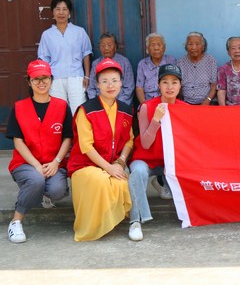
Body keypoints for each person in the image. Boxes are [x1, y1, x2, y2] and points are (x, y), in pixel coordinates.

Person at [67, 58, 134, 241]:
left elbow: (129, 140)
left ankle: (110, 221)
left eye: (114, 80)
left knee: (121, 182)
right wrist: (109, 168)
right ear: (97, 85)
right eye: (104, 81)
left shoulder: (125, 110)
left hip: (113, 164)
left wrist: (120, 161)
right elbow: (86, 146)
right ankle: (91, 227)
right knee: (101, 181)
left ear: (121, 83)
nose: (110, 85)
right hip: (85, 165)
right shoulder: (86, 110)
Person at [5, 60, 73, 243]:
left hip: (53, 163)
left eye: (45, 78)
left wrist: (56, 161)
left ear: (51, 80)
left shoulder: (61, 106)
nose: (41, 82)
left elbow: (67, 137)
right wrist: (35, 165)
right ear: (29, 82)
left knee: (58, 190)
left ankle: (38, 192)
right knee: (36, 179)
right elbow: (18, 141)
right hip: (26, 163)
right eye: (36, 79)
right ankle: (16, 221)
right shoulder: (20, 107)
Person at [128, 64, 187, 241]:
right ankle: (136, 221)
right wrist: (156, 120)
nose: (170, 87)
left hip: (170, 163)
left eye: (174, 82)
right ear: (158, 85)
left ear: (180, 86)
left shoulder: (185, 108)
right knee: (137, 172)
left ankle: (166, 189)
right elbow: (145, 144)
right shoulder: (147, 106)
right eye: (165, 82)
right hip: (146, 159)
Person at [37, 0, 92, 113]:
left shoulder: (79, 32)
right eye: (57, 9)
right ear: (53, 12)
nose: (61, 13)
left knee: (78, 110)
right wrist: (46, 79)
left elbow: (86, 54)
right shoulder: (47, 35)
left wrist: (87, 76)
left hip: (76, 77)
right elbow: (43, 58)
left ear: (69, 12)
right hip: (55, 78)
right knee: (58, 111)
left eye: (64, 9)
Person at [87, 32, 135, 106]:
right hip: (100, 104)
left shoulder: (124, 62)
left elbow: (129, 87)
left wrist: (117, 105)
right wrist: (96, 104)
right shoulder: (95, 63)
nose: (106, 48)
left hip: (121, 103)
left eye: (109, 45)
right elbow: (91, 88)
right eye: (103, 45)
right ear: (99, 48)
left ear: (115, 47)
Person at [176, 32, 217, 105]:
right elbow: (177, 85)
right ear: (186, 47)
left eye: (197, 44)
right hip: (185, 102)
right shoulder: (180, 62)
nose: (193, 47)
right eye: (190, 44)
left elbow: (214, 85)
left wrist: (207, 101)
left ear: (203, 47)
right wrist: (182, 103)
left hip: (207, 102)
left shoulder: (210, 61)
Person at [136, 33, 177, 104]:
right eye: (152, 45)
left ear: (164, 47)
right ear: (147, 48)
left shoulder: (171, 61)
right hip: (148, 101)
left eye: (159, 44)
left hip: (167, 101)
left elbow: (175, 85)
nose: (156, 48)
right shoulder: (142, 64)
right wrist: (144, 104)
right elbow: (139, 88)